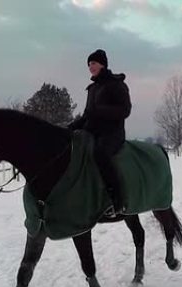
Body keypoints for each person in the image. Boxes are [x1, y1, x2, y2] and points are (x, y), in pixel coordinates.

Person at [68, 49, 132, 216]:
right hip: (93, 133)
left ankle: (118, 201)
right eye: (89, 64)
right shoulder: (92, 88)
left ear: (102, 64)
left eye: (93, 63)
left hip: (112, 134)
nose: (90, 67)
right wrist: (70, 127)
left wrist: (100, 111)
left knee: (100, 154)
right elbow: (87, 115)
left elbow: (125, 110)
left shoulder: (117, 84)